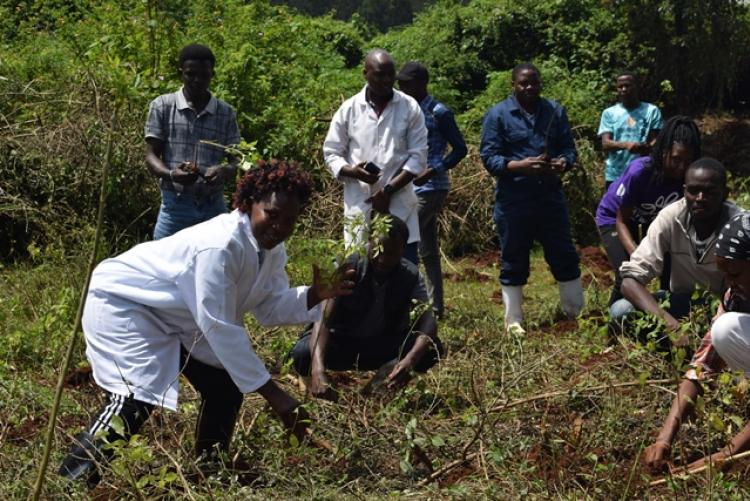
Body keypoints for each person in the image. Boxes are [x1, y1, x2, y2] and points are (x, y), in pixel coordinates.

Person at [58, 161, 355, 487]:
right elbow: (220, 327)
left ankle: (208, 471)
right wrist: (278, 397)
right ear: (249, 203)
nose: (280, 226)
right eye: (271, 214)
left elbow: (268, 308)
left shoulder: (270, 249)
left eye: (289, 220)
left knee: (224, 388)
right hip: (126, 305)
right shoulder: (220, 245)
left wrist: (313, 294)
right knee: (134, 398)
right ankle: (70, 482)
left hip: (177, 315)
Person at [289, 215, 443, 399]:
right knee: (302, 352)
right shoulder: (347, 266)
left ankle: (378, 389)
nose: (383, 260)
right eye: (379, 252)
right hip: (342, 344)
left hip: (380, 345)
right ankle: (314, 391)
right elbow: (323, 320)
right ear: (370, 242)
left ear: (403, 249)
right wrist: (318, 370)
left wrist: (410, 361)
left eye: (391, 254)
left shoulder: (410, 275)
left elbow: (428, 321)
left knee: (431, 349)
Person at [479, 62, 583, 335]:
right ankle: (514, 321)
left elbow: (569, 149)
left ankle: (575, 313)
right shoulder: (498, 115)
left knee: (564, 253)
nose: (529, 87)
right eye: (523, 83)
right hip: (514, 199)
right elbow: (489, 158)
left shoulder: (554, 111)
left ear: (540, 84)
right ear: (513, 85)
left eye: (533, 82)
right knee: (513, 257)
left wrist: (563, 162)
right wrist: (520, 165)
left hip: (550, 196)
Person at [643, 211, 750, 475]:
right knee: (723, 330)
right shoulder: (736, 294)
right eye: (724, 274)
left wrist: (726, 454)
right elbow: (702, 365)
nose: (729, 283)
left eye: (734, 274)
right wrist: (664, 439)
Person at [613, 158, 741, 340]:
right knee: (621, 311)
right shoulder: (671, 218)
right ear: (684, 191)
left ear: (725, 194)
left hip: (726, 308)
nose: (700, 199)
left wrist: (723, 312)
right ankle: (669, 353)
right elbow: (629, 282)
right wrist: (670, 324)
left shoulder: (739, 225)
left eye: (710, 192)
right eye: (693, 191)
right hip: (682, 302)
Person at [323, 49, 428, 264]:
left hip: (399, 205)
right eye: (380, 75)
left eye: (391, 75)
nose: (387, 80)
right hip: (360, 206)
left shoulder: (409, 107)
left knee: (403, 272)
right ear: (365, 74)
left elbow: (418, 157)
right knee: (359, 271)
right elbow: (331, 152)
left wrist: (388, 191)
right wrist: (352, 171)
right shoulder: (349, 109)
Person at [596, 116, 701, 306]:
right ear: (664, 153)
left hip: (652, 220)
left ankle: (667, 316)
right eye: (676, 159)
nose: (682, 166)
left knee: (672, 266)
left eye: (688, 160)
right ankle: (614, 324)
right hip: (616, 219)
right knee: (627, 272)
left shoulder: (688, 177)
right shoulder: (641, 172)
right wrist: (638, 255)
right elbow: (621, 221)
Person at [145, 43, 241, 239]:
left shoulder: (225, 113)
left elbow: (237, 159)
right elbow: (151, 155)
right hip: (175, 206)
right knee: (165, 265)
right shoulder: (162, 106)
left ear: (212, 74)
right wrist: (172, 174)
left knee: (218, 265)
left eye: (204, 75)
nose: (198, 80)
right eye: (191, 74)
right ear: (181, 72)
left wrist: (223, 171)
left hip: (213, 207)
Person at [396, 61, 467, 318]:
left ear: (422, 83)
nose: (402, 88)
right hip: (411, 187)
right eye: (400, 84)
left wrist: (435, 168)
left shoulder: (439, 112)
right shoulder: (405, 109)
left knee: (405, 241)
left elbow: (460, 149)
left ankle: (413, 304)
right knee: (427, 248)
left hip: (431, 186)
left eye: (407, 84)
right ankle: (435, 307)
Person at [598, 71, 663, 189]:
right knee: (613, 206)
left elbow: (657, 140)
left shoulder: (651, 111)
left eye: (627, 85)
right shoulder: (609, 113)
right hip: (615, 174)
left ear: (637, 87)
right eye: (620, 87)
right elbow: (605, 144)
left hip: (643, 171)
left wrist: (646, 148)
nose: (623, 89)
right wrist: (627, 145)